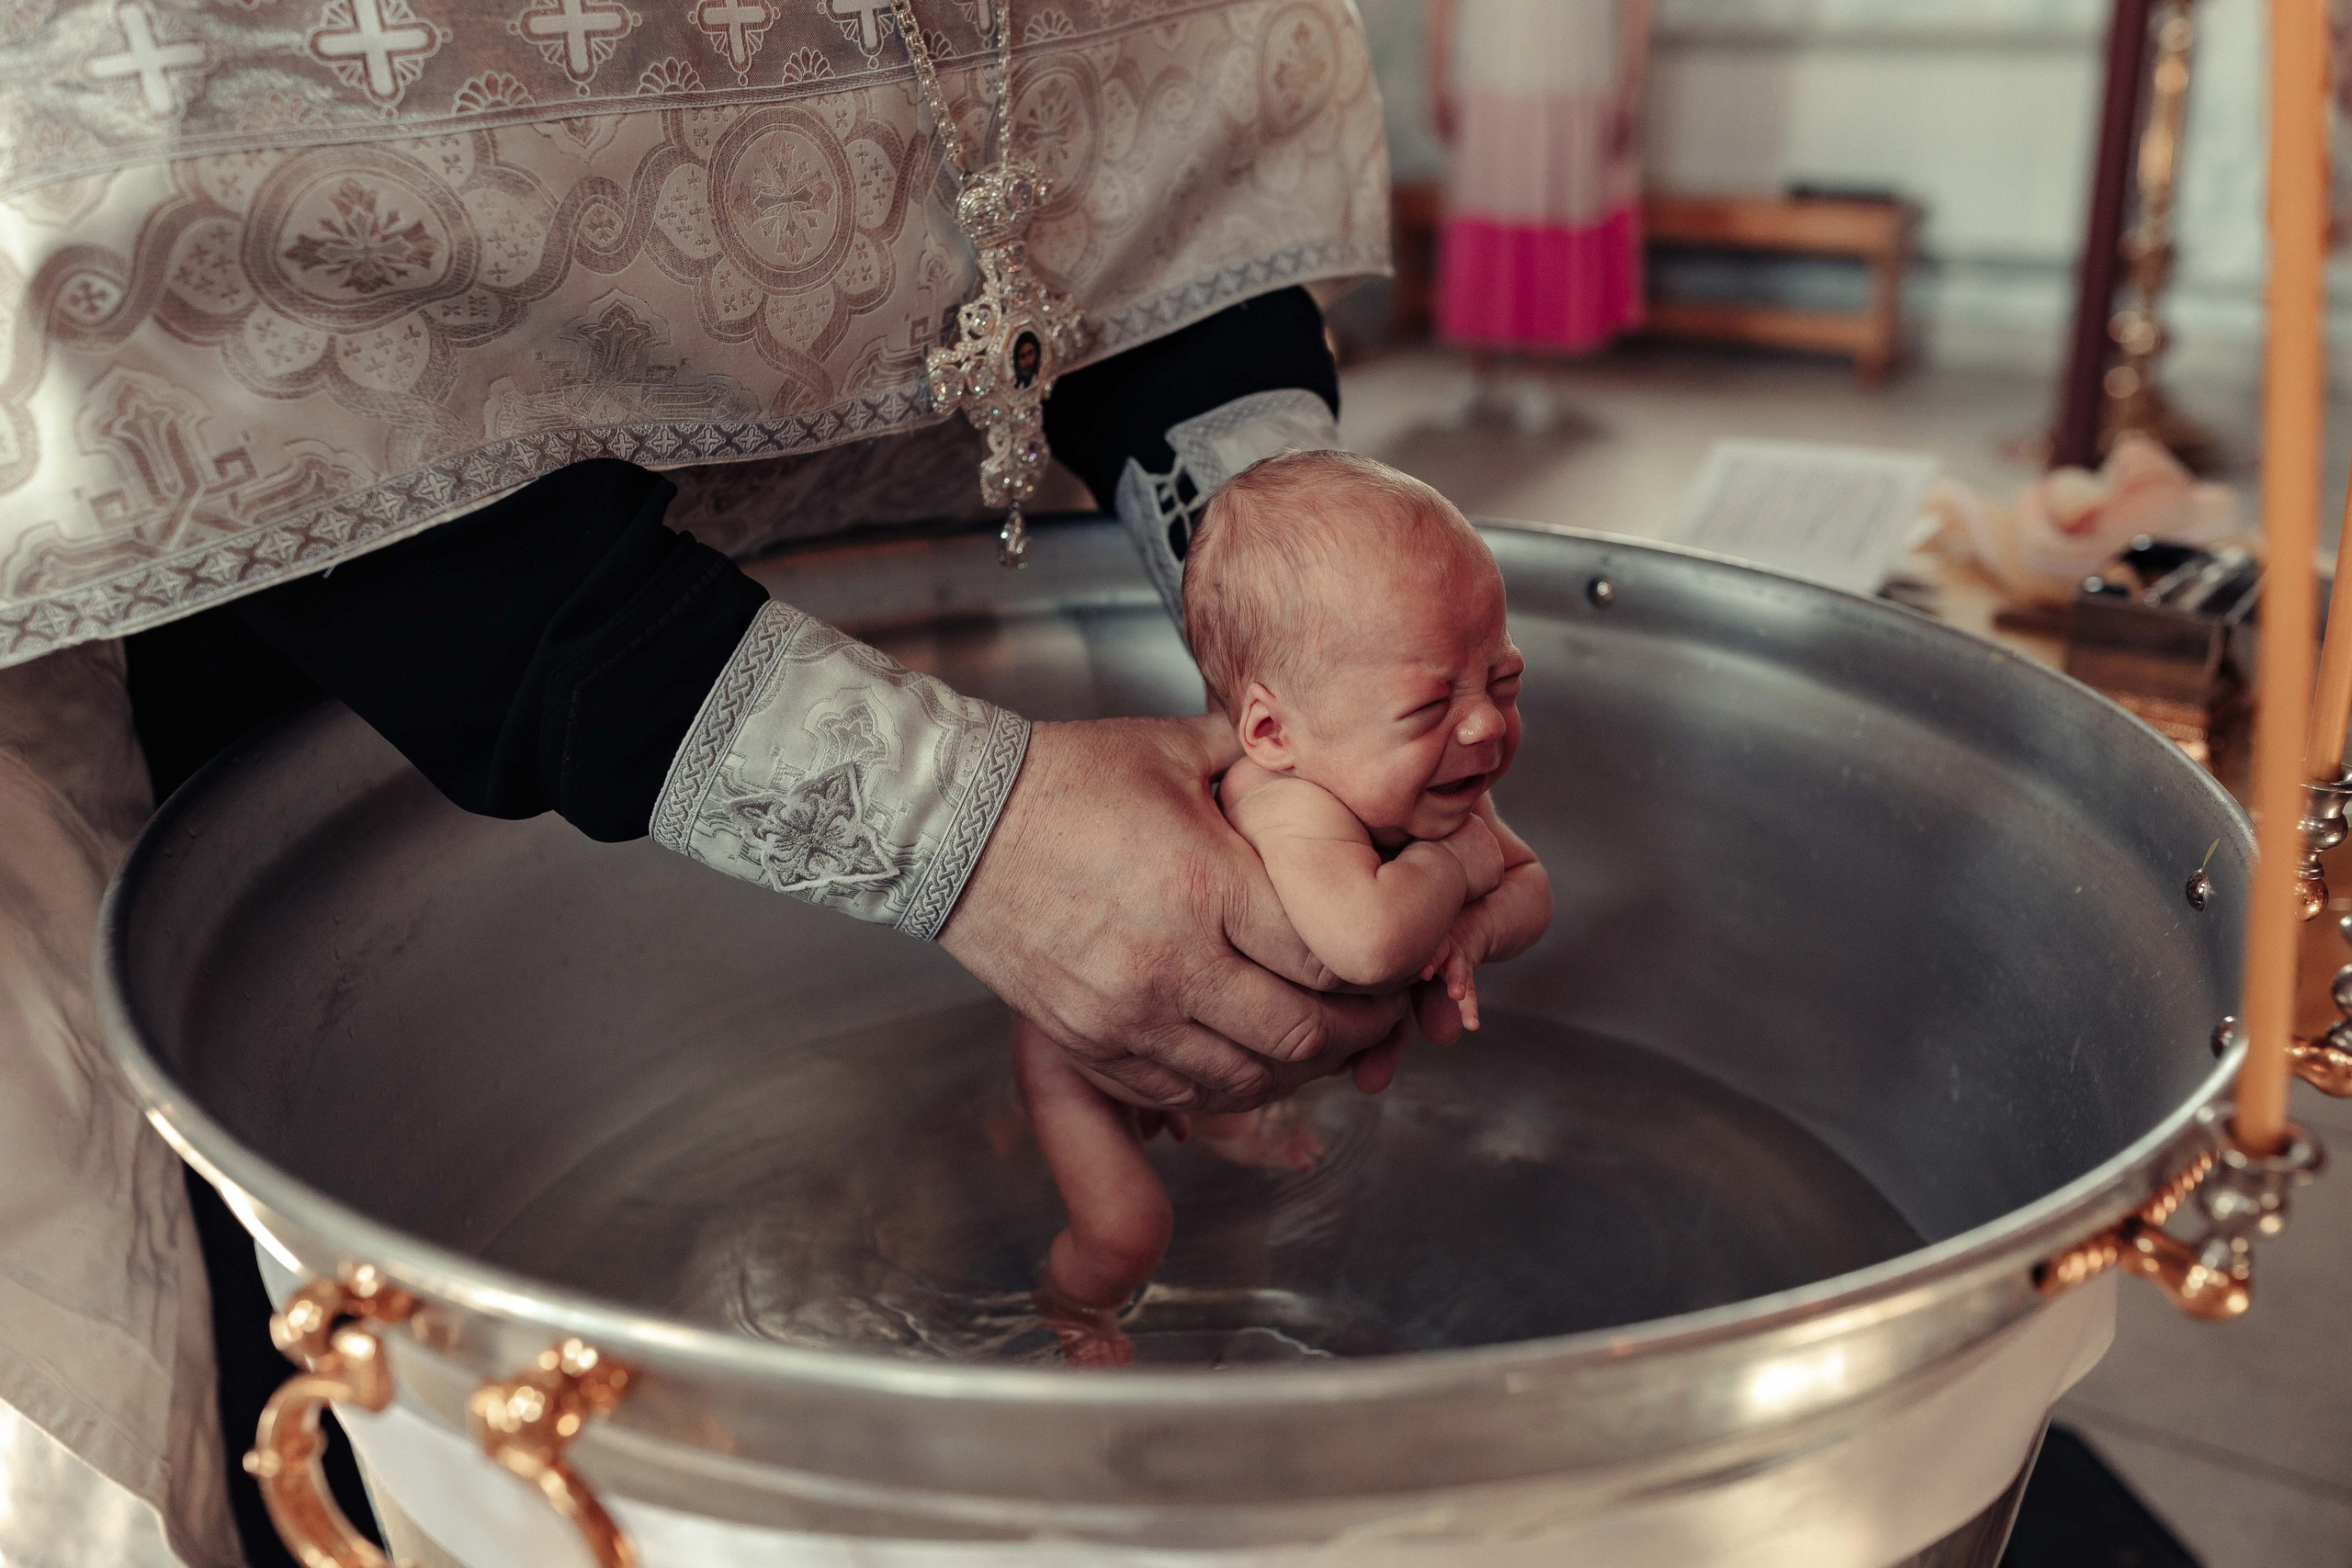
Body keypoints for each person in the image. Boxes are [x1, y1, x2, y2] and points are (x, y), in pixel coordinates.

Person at [0, 2, 1403, 1561]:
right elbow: (185, 278)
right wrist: (956, 825)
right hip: (381, 704)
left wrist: (1310, 606)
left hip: (975, 582)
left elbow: (1140, 123)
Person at [1018, 452, 1553, 1365]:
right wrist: (1463, 863)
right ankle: (1068, 1310)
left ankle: (1223, 1124)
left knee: (1250, 1079)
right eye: (1430, 707)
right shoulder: (1291, 802)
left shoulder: (1435, 785)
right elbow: (1370, 942)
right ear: (1271, 733)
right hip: (1081, 1056)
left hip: (1197, 1013)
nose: (1483, 727)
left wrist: (1468, 927)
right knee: (1128, 1230)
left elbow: (1532, 890)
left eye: (1500, 682)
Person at [1427, 0, 1654, 432]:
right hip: (1488, 76)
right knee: (1482, 218)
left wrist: (1631, 86)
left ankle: (1536, 372)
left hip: (1573, 79)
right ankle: (1477, 370)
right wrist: (1436, 74)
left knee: (1552, 218)